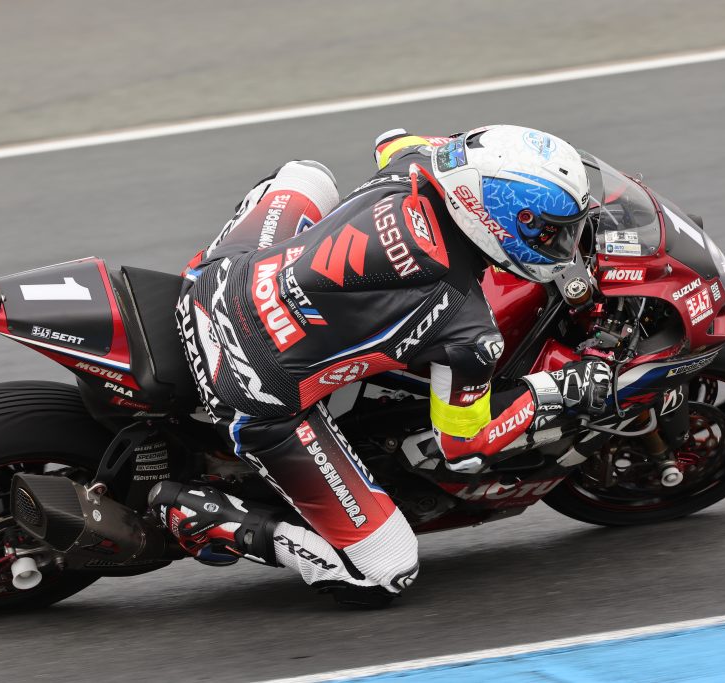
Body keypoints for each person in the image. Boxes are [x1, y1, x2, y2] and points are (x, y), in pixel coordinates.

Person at [151, 124, 611, 607]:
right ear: (492, 215)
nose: (559, 244)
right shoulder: (467, 329)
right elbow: (461, 445)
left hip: (218, 280)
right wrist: (561, 390)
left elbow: (392, 140)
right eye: (548, 230)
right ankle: (208, 517)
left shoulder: (415, 163)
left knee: (308, 174)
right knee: (386, 571)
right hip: (252, 389)